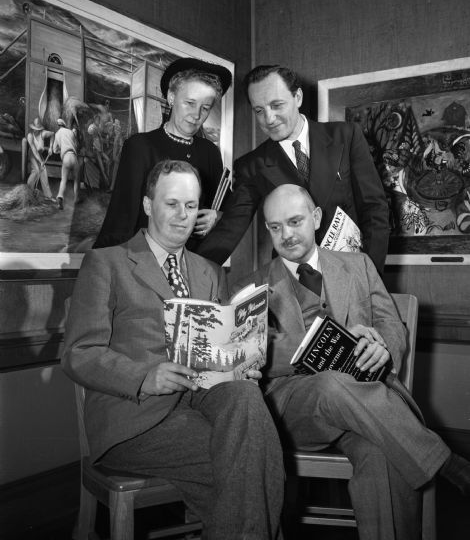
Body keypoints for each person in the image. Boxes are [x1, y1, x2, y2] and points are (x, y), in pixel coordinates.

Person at [232, 183, 470, 540]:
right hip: (294, 408)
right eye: (275, 227)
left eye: (295, 221)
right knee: (331, 382)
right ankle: (449, 464)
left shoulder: (357, 265)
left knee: (384, 453)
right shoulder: (252, 288)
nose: (287, 234)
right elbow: (247, 357)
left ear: (315, 218)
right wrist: (303, 346)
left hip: (366, 406)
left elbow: (390, 323)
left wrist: (384, 348)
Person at [62, 160, 284, 540]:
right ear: (148, 205)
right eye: (172, 204)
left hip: (203, 402)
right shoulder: (107, 263)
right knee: (254, 460)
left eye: (191, 206)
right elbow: (79, 352)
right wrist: (145, 377)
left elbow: (222, 343)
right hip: (135, 416)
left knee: (246, 398)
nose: (183, 216)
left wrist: (240, 363)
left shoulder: (208, 270)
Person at [197, 64, 390, 274]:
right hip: (295, 283)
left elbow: (374, 210)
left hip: (351, 273)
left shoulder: (346, 136)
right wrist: (188, 273)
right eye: (259, 110)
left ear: (297, 97)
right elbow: (229, 229)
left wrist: (370, 277)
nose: (269, 119)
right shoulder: (252, 166)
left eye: (277, 105)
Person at [93, 57, 232, 250]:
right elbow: (121, 220)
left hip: (196, 265)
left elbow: (231, 208)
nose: (196, 114)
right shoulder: (139, 147)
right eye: (190, 103)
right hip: (146, 265)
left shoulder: (210, 152)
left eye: (205, 108)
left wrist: (217, 217)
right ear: (171, 97)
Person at [53, 118, 80, 209]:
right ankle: (76, 198)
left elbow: (54, 150)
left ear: (58, 125)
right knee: (76, 179)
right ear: (64, 125)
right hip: (73, 156)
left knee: (64, 179)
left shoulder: (57, 134)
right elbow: (76, 146)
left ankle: (60, 196)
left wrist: (61, 149)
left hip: (65, 157)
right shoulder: (70, 132)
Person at [25, 117, 55, 199]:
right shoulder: (30, 136)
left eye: (38, 129)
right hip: (32, 154)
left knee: (43, 171)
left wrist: (51, 147)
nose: (36, 130)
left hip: (39, 154)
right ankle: (28, 191)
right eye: (35, 128)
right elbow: (34, 151)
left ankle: (48, 196)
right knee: (36, 170)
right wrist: (40, 161)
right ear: (32, 128)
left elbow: (52, 134)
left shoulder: (43, 133)